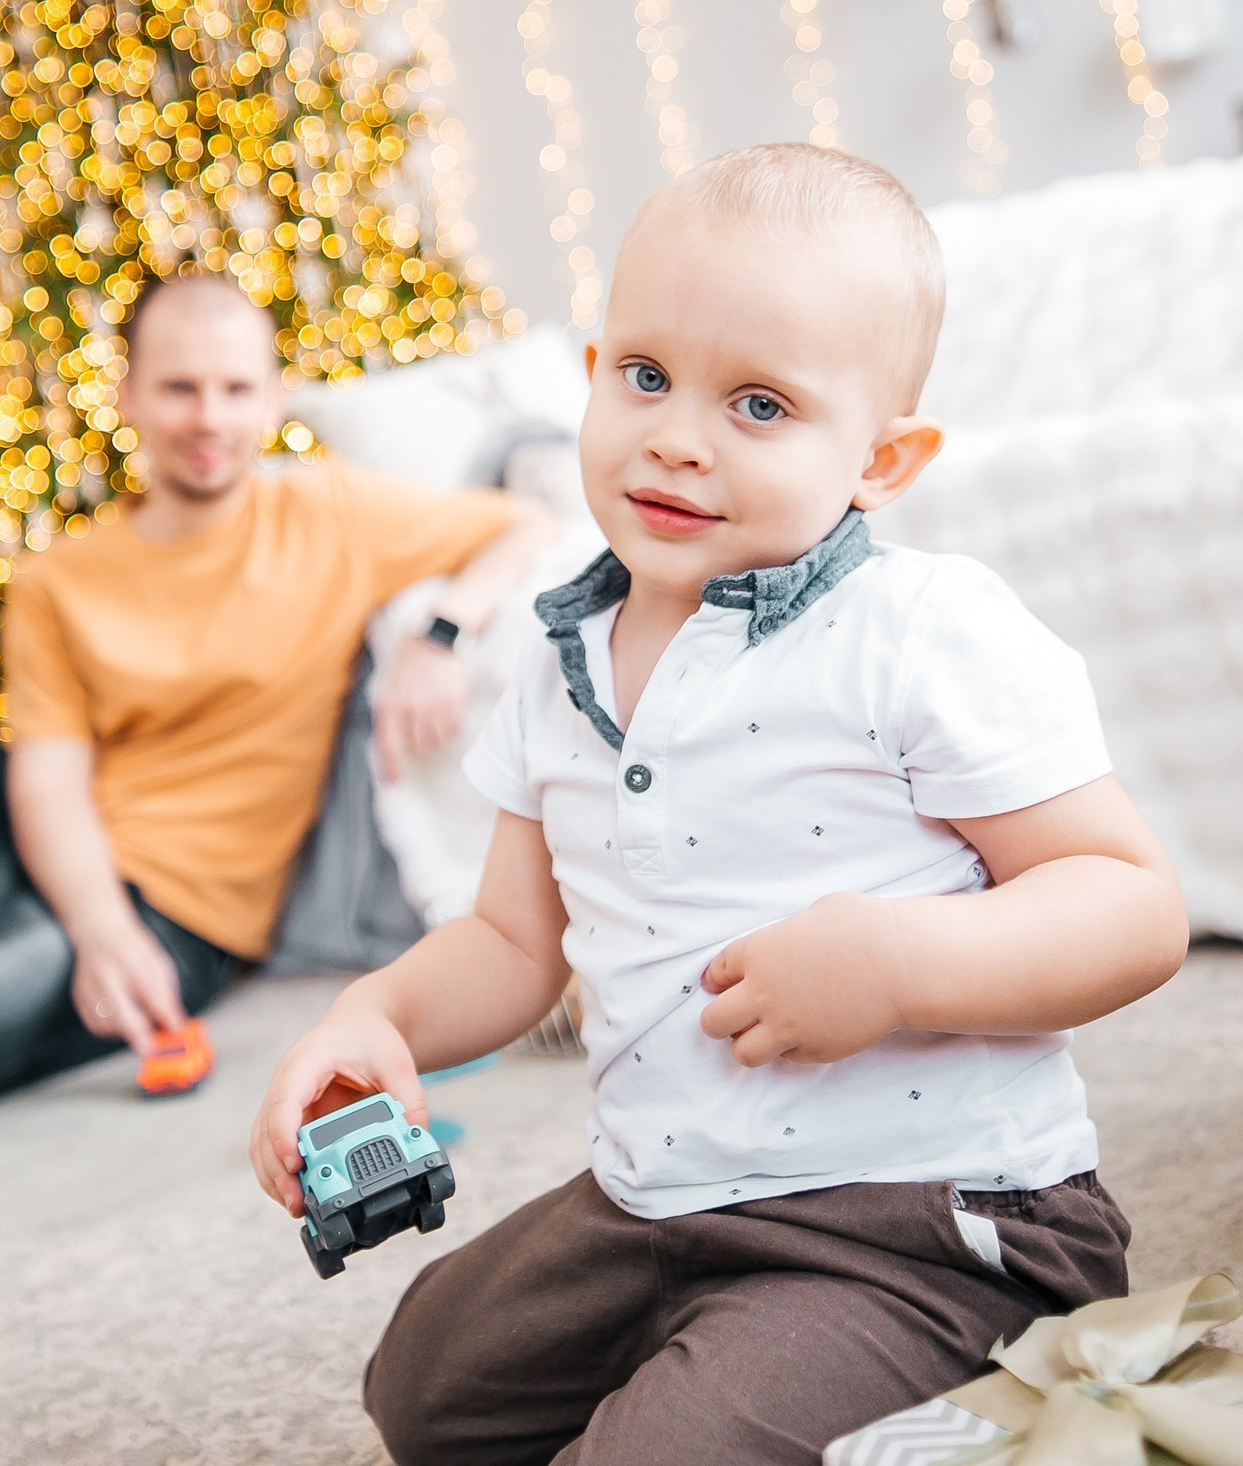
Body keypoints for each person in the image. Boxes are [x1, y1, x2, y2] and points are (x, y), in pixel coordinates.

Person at [248, 144, 1189, 1465]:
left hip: (925, 1230)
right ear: (591, 377)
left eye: (758, 402)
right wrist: (376, 1014)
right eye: (645, 376)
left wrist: (902, 960)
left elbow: (1134, 905)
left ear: (882, 458)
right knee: (427, 1389)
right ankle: (739, 1348)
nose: (678, 435)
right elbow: (518, 945)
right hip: (659, 1203)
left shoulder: (918, 631)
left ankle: (917, 1384)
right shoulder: (551, 658)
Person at [0, 272, 550, 1138]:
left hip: (177, 916)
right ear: (127, 396)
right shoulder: (60, 580)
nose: (209, 418)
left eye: (236, 389)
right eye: (179, 388)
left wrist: (442, 632)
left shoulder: (330, 512)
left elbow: (523, 522)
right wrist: (95, 926)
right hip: (44, 857)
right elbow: (47, 776)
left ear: (273, 398)